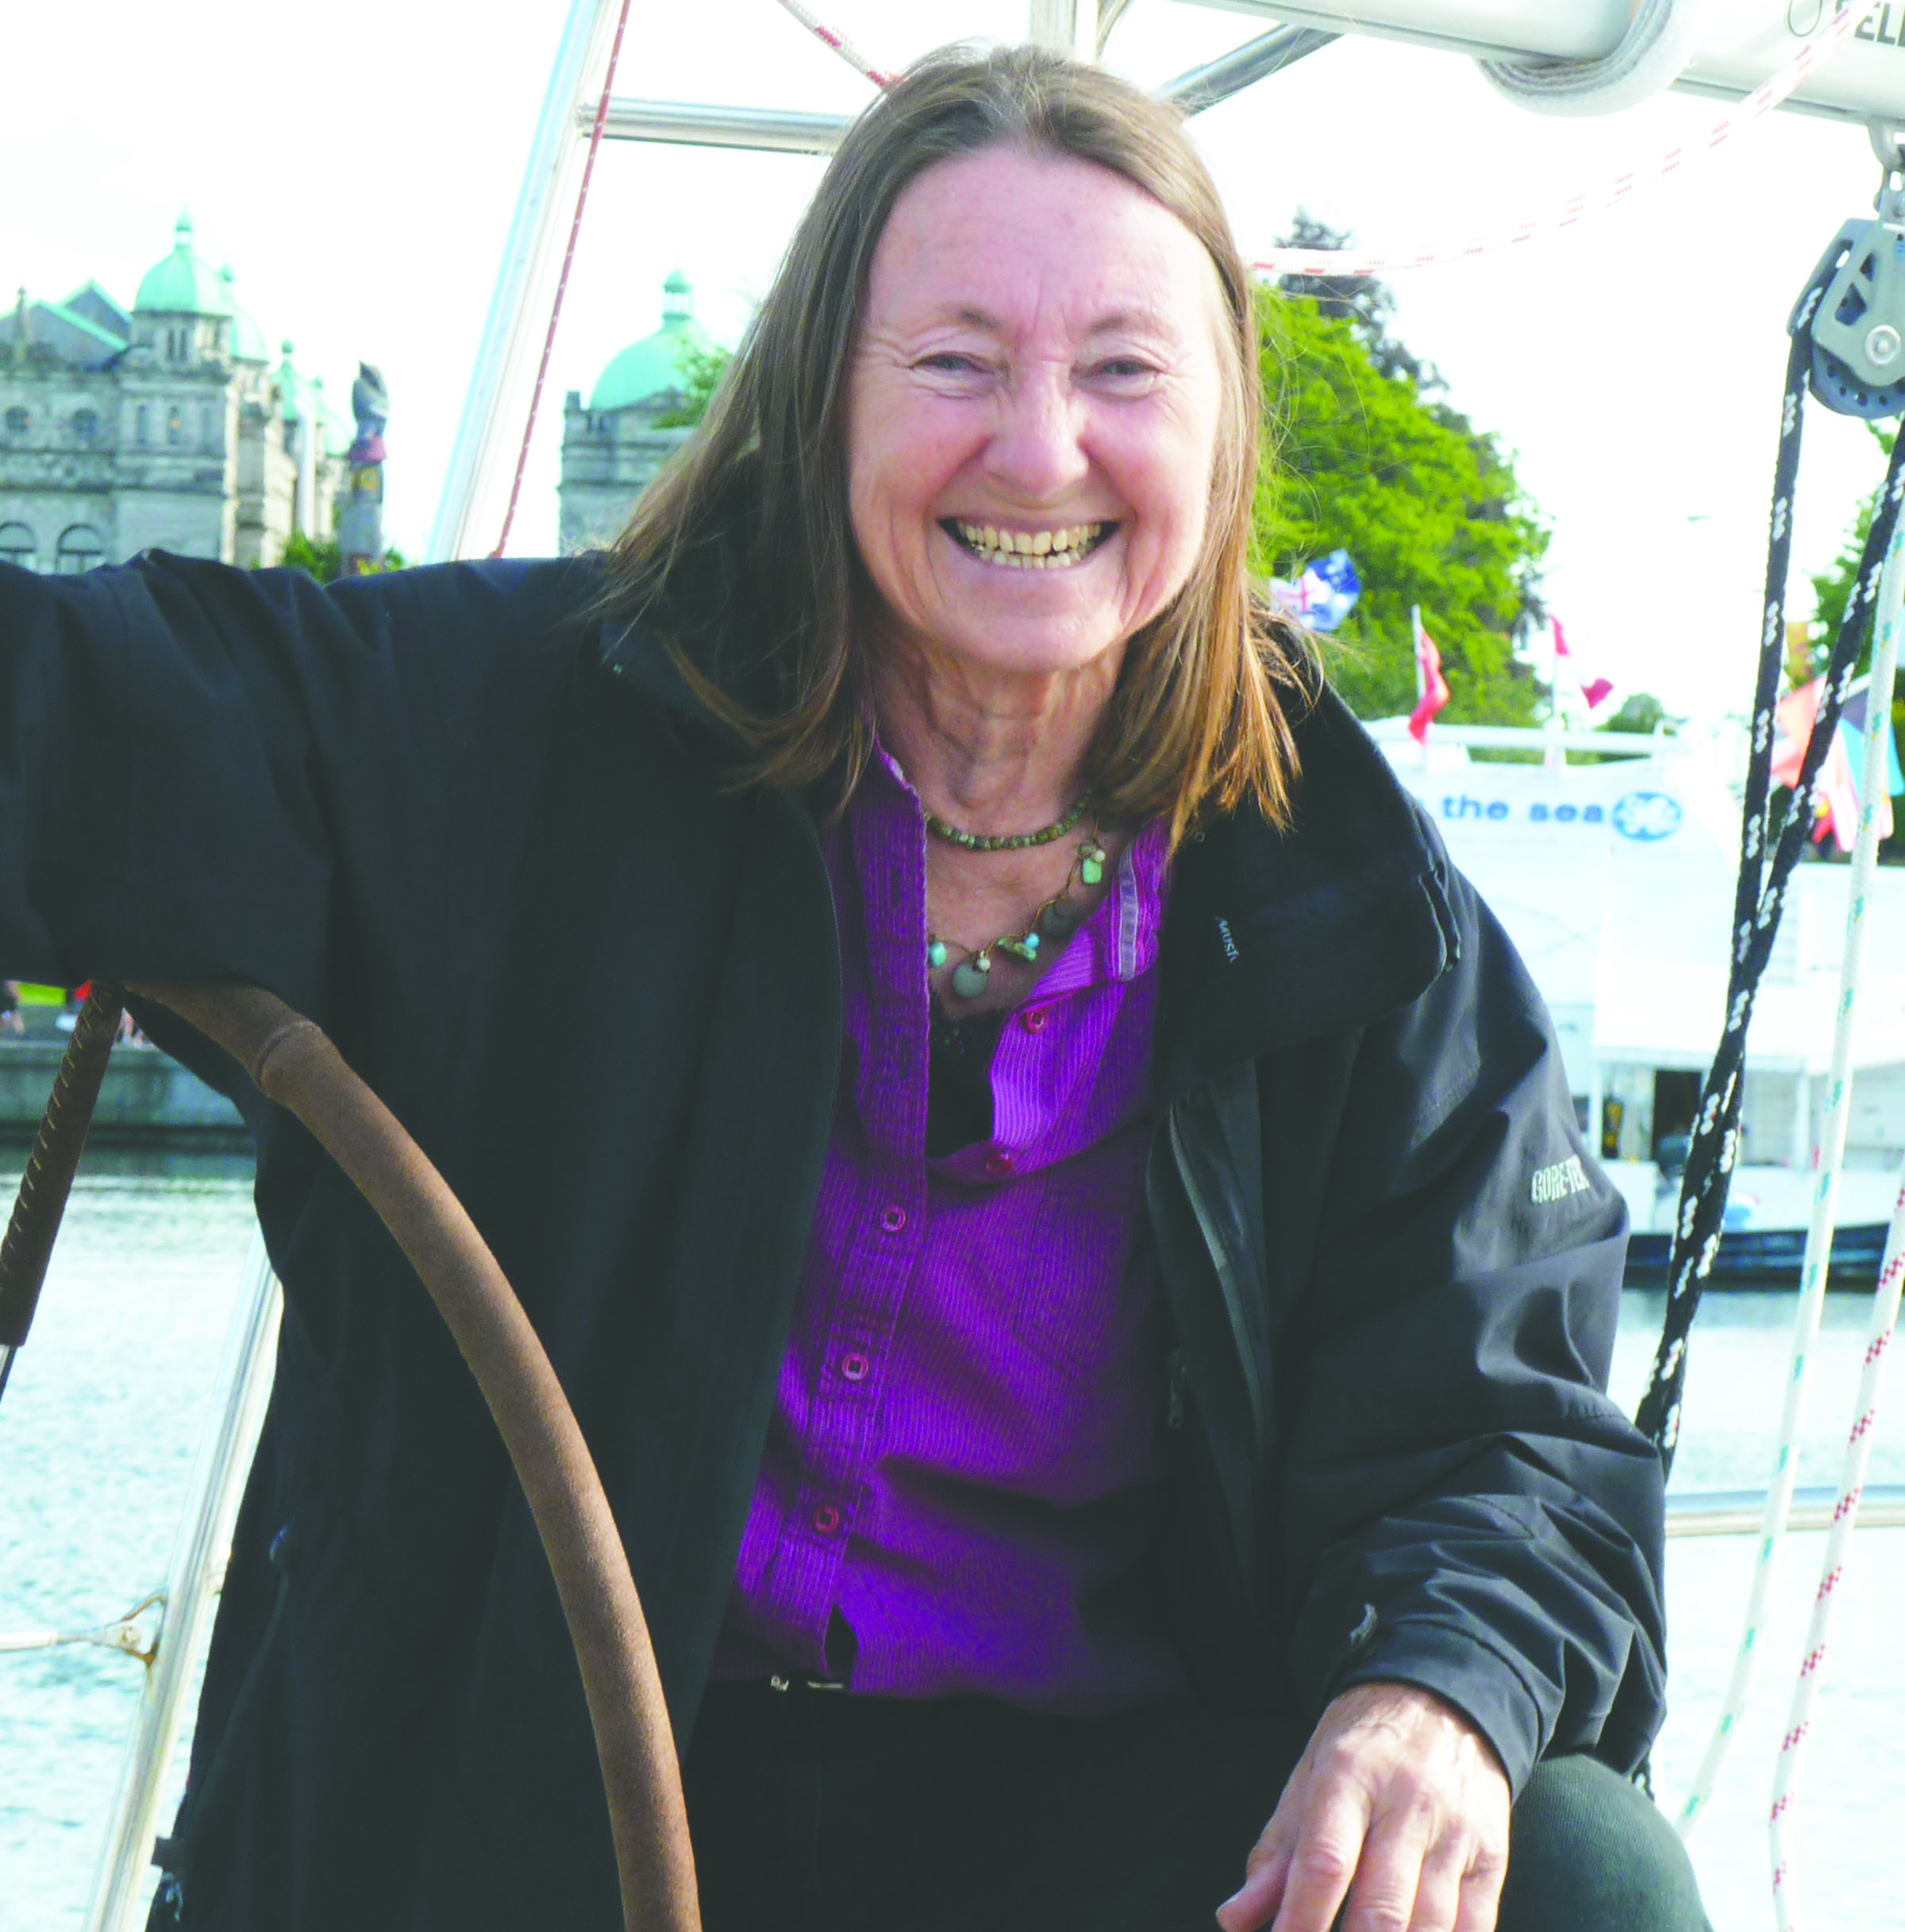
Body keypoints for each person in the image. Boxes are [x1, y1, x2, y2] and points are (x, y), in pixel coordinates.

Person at [0, 46, 1707, 1932]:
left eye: (1124, 371)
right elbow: (74, 709)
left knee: (1573, 1866)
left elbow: (1513, 1437)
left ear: (1222, 434)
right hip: (524, 1801)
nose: (1042, 448)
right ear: (822, 401)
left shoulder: (1351, 898)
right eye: (958, 359)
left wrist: (1434, 1692)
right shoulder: (517, 738)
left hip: (1101, 1826)